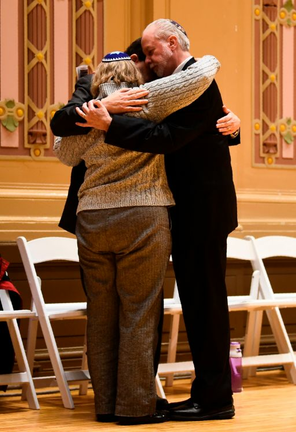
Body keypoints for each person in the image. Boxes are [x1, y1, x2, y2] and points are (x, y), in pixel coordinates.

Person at [50, 37, 240, 416]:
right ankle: (134, 404)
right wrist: (105, 108)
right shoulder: (144, 94)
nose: (150, 68)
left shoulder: (159, 88)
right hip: (148, 208)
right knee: (139, 311)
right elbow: (64, 120)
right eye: (147, 61)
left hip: (193, 208)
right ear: (137, 61)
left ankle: (208, 397)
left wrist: (231, 127)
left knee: (198, 304)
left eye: (154, 59)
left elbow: (64, 149)